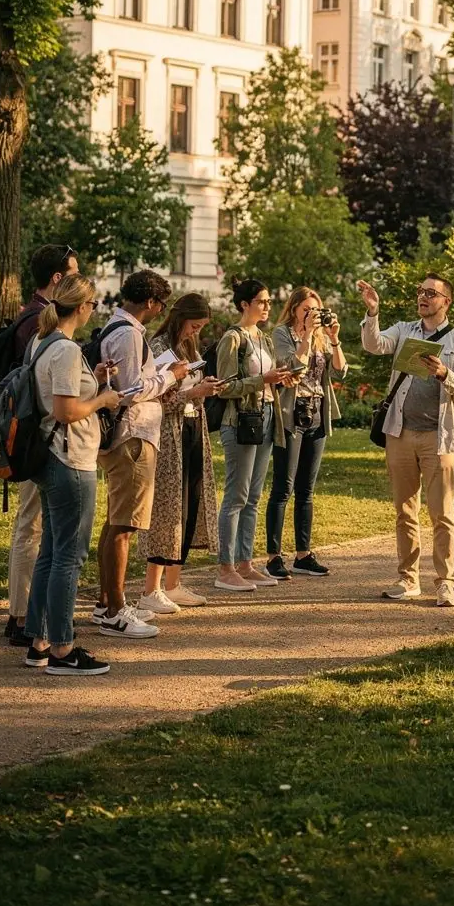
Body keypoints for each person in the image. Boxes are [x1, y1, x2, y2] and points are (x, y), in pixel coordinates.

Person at [358, 274, 454, 609]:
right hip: (400, 433)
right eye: (420, 292)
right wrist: (372, 313)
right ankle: (408, 579)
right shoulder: (404, 329)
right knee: (404, 511)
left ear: (445, 301)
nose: (422, 297)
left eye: (430, 293)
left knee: (442, 514)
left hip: (438, 439)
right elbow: (374, 345)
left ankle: (445, 583)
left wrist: (443, 374)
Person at [23, 274, 119, 676]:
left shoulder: (42, 342)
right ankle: (63, 648)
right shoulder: (62, 349)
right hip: (69, 458)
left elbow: (57, 396)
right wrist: (103, 398)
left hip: (51, 457)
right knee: (68, 556)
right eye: (93, 304)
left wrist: (91, 377)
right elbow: (64, 411)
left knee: (50, 551)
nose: (93, 309)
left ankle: (40, 641)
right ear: (81, 307)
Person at [94, 270, 189, 638]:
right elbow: (132, 389)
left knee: (117, 522)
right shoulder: (130, 334)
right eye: (160, 304)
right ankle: (115, 610)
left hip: (128, 435)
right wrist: (172, 376)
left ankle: (107, 603)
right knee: (124, 527)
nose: (159, 311)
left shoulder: (115, 327)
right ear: (150, 302)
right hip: (134, 436)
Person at [5, 243, 79, 646]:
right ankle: (22, 616)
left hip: (36, 434)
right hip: (38, 438)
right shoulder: (37, 321)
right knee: (32, 526)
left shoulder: (33, 317)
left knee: (36, 526)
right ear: (57, 279)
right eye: (73, 272)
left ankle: (29, 616)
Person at [137, 293, 224, 612]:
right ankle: (151, 588)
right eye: (194, 325)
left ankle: (173, 583)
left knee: (188, 505)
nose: (195, 331)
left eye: (201, 327)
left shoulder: (190, 347)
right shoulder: (158, 347)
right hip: (168, 435)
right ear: (180, 319)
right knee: (167, 509)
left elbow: (190, 392)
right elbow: (153, 397)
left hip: (191, 429)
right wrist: (192, 392)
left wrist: (206, 390)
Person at [265, 287, 348, 579]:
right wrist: (307, 337)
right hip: (291, 415)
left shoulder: (323, 337)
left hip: (317, 414)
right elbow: (290, 367)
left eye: (316, 310)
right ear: (294, 309)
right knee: (283, 488)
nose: (312, 315)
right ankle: (274, 557)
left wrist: (334, 339)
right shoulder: (281, 334)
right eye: (306, 310)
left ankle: (303, 554)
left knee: (306, 491)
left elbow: (340, 371)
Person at [214, 278, 291, 591]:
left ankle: (245, 564)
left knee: (254, 497)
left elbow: (266, 379)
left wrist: (279, 380)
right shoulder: (233, 339)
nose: (267, 307)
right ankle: (225, 568)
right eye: (261, 302)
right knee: (236, 495)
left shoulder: (264, 338)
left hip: (266, 417)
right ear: (244, 304)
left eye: (269, 302)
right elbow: (224, 387)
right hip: (240, 421)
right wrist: (262, 380)